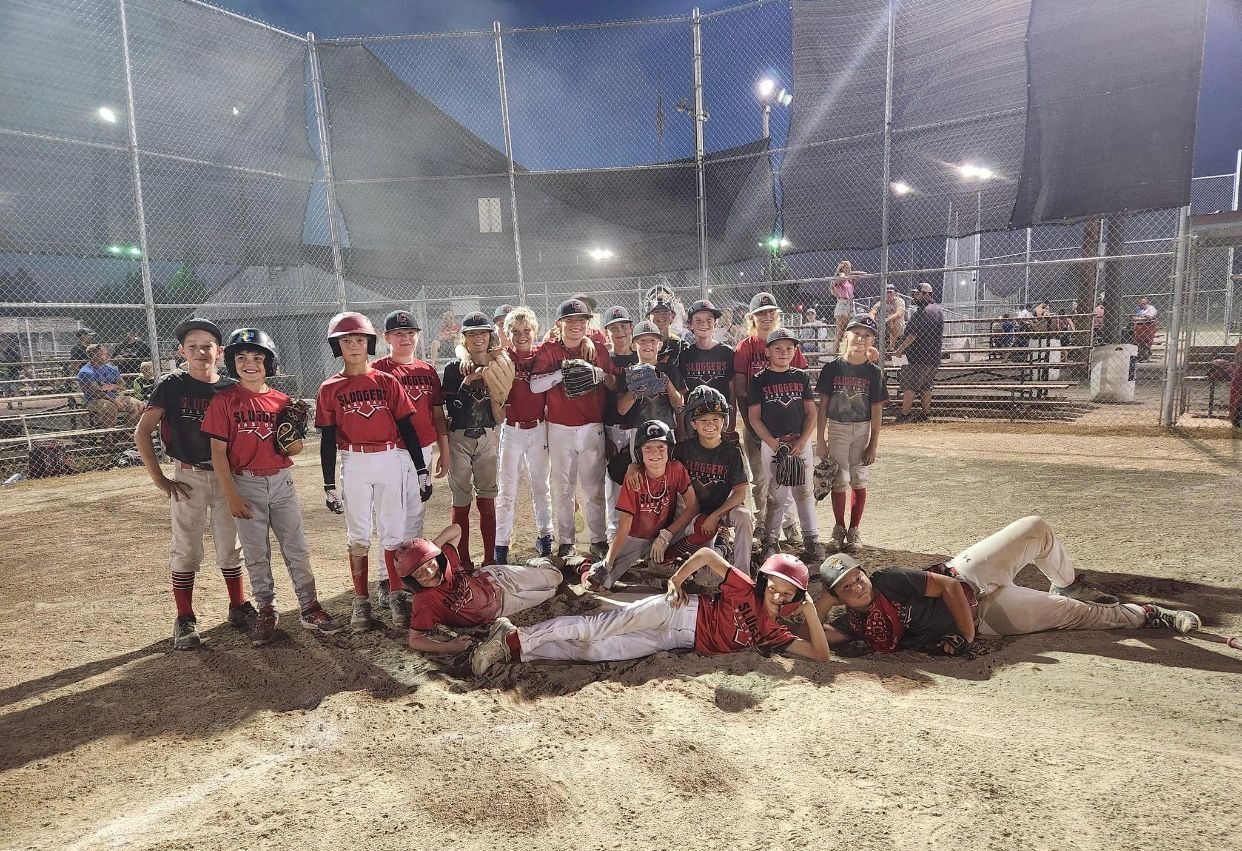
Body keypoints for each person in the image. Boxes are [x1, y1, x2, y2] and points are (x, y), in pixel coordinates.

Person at [812, 516, 1202, 656]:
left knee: (1035, 527)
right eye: (846, 587)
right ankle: (1147, 614)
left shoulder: (887, 581)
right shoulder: (857, 625)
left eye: (857, 575)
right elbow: (813, 636)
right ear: (838, 596)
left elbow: (949, 587)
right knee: (1080, 616)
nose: (859, 586)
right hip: (988, 616)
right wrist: (822, 602)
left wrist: (964, 637)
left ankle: (1067, 583)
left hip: (967, 576)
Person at [470, 548, 831, 675]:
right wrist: (676, 579)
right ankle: (516, 638)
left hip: (675, 642)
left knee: (596, 651)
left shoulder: (776, 633)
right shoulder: (744, 588)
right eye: (775, 588)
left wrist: (811, 609)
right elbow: (707, 556)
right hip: (678, 612)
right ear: (765, 581)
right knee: (598, 628)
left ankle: (517, 649)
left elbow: (820, 655)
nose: (778, 598)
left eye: (787, 596)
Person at [203, 328, 340, 645]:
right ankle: (267, 609)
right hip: (244, 482)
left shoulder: (282, 402)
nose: (250, 363)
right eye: (242, 357)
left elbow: (293, 449)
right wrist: (232, 495)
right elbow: (217, 453)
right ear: (233, 363)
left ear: (269, 362)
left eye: (257, 357)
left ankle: (310, 606)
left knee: (297, 549)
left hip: (281, 483)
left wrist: (292, 442)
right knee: (256, 553)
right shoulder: (224, 401)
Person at [134, 318, 254, 650]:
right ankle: (184, 617)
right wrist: (160, 479)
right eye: (193, 347)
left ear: (220, 352)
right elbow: (143, 431)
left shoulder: (230, 388)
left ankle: (238, 606)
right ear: (181, 351)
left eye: (207, 346)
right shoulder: (172, 385)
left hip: (227, 476)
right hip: (188, 476)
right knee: (187, 549)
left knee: (231, 545)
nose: (201, 352)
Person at [315, 312, 434, 632]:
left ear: (369, 343)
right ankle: (361, 600)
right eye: (346, 341)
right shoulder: (330, 387)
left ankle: (395, 594)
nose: (353, 346)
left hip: (388, 458)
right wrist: (328, 484)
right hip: (353, 462)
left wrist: (421, 470)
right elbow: (327, 440)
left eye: (359, 340)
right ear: (336, 346)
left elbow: (407, 428)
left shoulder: (386, 381)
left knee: (393, 531)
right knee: (358, 534)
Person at [530, 298, 619, 562]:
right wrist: (562, 372)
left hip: (592, 425)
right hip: (560, 427)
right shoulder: (549, 350)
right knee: (563, 488)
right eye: (570, 321)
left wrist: (598, 374)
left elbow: (613, 383)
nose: (576, 325)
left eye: (581, 320)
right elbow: (535, 385)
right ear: (560, 324)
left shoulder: (598, 349)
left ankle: (598, 539)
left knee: (593, 488)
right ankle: (566, 542)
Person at [395, 524, 563, 656]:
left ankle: (540, 562)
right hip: (501, 606)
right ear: (410, 579)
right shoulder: (425, 600)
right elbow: (415, 640)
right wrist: (448, 647)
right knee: (552, 591)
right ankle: (541, 570)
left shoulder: (443, 560)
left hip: (496, 577)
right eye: (419, 572)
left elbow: (456, 529)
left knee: (556, 577)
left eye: (430, 563)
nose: (430, 571)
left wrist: (433, 547)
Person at [582, 419, 698, 591]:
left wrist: (667, 534)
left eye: (661, 447)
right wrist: (608, 563)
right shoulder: (634, 478)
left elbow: (694, 507)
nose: (655, 453)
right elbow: (624, 526)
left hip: (665, 533)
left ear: (670, 449)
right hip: (637, 537)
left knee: (701, 524)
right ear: (639, 452)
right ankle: (583, 566)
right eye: (648, 448)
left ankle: (667, 562)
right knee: (598, 583)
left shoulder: (676, 469)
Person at [734, 292, 810, 550]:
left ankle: (788, 524)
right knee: (760, 477)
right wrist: (752, 427)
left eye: (771, 313)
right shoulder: (745, 347)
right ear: (752, 318)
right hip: (757, 423)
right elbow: (741, 392)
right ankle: (761, 522)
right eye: (761, 313)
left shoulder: (788, 344)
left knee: (788, 474)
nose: (766, 317)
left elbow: (801, 386)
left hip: (787, 427)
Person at [372, 309, 451, 554]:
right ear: (387, 338)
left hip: (424, 449)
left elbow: (438, 415)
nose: (405, 338)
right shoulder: (377, 370)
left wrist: (444, 452)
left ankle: (410, 568)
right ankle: (388, 577)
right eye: (398, 333)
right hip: (391, 451)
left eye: (410, 333)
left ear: (418, 336)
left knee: (416, 509)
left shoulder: (427, 371)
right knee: (391, 512)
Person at [657, 385, 753, 574]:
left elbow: (740, 492)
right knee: (701, 568)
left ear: (724, 420)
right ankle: (722, 547)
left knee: (744, 516)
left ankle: (743, 574)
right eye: (703, 420)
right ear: (693, 423)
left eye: (716, 419)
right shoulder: (682, 450)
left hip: (719, 512)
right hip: (689, 516)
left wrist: (715, 516)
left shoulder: (731, 452)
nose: (710, 424)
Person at [440, 311, 509, 570]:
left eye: (483, 333)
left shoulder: (499, 364)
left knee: (487, 497)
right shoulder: (453, 368)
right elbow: (454, 410)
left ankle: (490, 558)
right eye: (472, 333)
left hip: (487, 435)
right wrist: (467, 382)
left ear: (490, 336)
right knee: (461, 500)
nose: (478, 338)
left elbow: (500, 414)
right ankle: (464, 560)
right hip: (459, 436)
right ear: (465, 337)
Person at [747, 327, 821, 562]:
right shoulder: (759, 380)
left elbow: (811, 413)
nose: (784, 352)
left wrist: (802, 441)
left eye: (789, 348)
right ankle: (770, 540)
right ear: (767, 351)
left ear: (795, 351)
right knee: (776, 493)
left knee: (804, 491)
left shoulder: (800, 377)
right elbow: (754, 418)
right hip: (773, 445)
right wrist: (773, 442)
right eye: (777, 348)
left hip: (800, 443)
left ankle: (811, 539)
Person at [815, 314, 887, 555]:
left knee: (859, 478)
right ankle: (838, 528)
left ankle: (854, 529)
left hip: (862, 428)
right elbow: (823, 406)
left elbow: (876, 411)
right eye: (856, 333)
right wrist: (820, 440)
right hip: (837, 427)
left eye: (867, 335)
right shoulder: (832, 368)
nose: (861, 338)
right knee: (838, 479)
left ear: (872, 341)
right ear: (846, 336)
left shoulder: (873, 373)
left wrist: (873, 445)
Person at [494, 307, 553, 565]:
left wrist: (584, 340)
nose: (521, 335)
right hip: (512, 429)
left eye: (526, 330)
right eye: (515, 331)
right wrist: (463, 354)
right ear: (506, 334)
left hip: (539, 428)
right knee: (506, 490)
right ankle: (501, 544)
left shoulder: (542, 354)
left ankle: (545, 535)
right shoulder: (503, 356)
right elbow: (467, 350)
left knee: (542, 487)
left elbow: (566, 339)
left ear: (535, 331)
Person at [602, 305, 638, 541]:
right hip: (611, 427)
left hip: (637, 427)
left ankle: (637, 536)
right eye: (614, 328)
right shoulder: (603, 358)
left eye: (624, 326)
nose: (620, 331)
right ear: (607, 332)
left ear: (631, 328)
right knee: (612, 483)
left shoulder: (640, 356)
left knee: (638, 482)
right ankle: (613, 536)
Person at [677, 299, 738, 436]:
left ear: (716, 324)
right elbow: (682, 393)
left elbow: (732, 391)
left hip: (719, 417)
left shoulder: (726, 353)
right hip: (694, 419)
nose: (704, 323)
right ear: (690, 325)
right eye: (698, 320)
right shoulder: (685, 355)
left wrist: (732, 422)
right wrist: (682, 426)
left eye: (709, 319)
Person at [616, 320, 685, 433]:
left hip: (666, 428)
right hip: (638, 430)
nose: (648, 344)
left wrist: (667, 383)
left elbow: (680, 408)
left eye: (653, 340)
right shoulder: (628, 372)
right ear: (633, 346)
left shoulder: (670, 370)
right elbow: (622, 410)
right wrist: (636, 389)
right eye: (642, 341)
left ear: (660, 345)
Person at [891, 282, 944, 424]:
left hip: (918, 357)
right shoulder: (937, 310)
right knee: (926, 386)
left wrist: (899, 350)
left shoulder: (923, 311)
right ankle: (926, 414)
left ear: (927, 294)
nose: (915, 296)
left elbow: (912, 335)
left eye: (918, 293)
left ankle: (904, 414)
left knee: (910, 386)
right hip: (933, 357)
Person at [77, 343, 142, 429]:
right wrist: (115, 402)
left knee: (140, 405)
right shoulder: (86, 371)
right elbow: (97, 393)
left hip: (116, 397)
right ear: (95, 355)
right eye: (104, 354)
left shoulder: (110, 368)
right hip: (94, 400)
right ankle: (108, 438)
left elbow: (123, 386)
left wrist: (113, 386)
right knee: (111, 407)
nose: (107, 356)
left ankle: (125, 430)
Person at [867, 283, 906, 351]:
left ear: (895, 293)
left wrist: (886, 320)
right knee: (870, 321)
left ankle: (891, 348)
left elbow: (899, 313)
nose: (888, 294)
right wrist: (872, 318)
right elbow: (872, 312)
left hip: (897, 326)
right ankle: (870, 347)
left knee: (894, 319)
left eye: (890, 292)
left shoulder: (899, 300)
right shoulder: (881, 302)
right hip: (884, 325)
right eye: (887, 292)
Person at [830, 260, 857, 351]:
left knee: (852, 330)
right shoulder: (840, 277)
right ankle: (835, 354)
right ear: (842, 268)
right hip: (843, 304)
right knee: (840, 332)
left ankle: (846, 352)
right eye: (846, 267)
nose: (849, 269)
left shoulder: (849, 279)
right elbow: (839, 279)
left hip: (851, 304)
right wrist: (843, 273)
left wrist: (850, 273)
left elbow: (863, 274)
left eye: (849, 267)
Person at [1133, 297, 1159, 361]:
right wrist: (1139, 318)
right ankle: (1141, 356)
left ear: (1147, 303)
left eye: (1144, 303)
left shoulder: (1151, 308)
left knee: (1147, 341)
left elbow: (1148, 317)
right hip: (1139, 326)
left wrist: (1140, 318)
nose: (1142, 305)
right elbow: (1136, 317)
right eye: (1141, 303)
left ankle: (1146, 355)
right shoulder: (1139, 309)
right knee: (1138, 341)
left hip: (1148, 326)